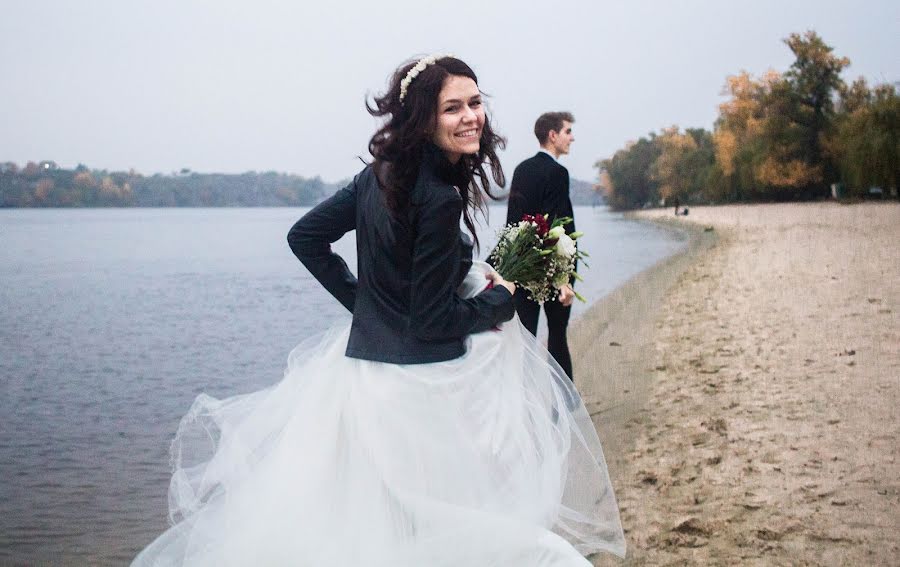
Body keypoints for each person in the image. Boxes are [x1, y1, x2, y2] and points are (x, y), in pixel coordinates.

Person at [132, 55, 624, 566]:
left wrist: (368, 306)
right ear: (422, 118)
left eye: (475, 103)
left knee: (381, 535)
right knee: (466, 533)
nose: (471, 116)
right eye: (452, 108)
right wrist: (500, 299)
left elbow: (307, 238)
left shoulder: (381, 174)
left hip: (363, 377)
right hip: (419, 395)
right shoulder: (437, 198)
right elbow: (431, 320)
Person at [506, 111, 578, 380]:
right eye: (568, 132)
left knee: (525, 340)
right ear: (553, 135)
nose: (572, 138)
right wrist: (563, 279)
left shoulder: (521, 170)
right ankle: (567, 408)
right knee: (558, 337)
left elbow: (513, 225)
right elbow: (558, 227)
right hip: (554, 270)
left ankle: (524, 406)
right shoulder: (558, 173)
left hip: (525, 268)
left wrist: (510, 271)